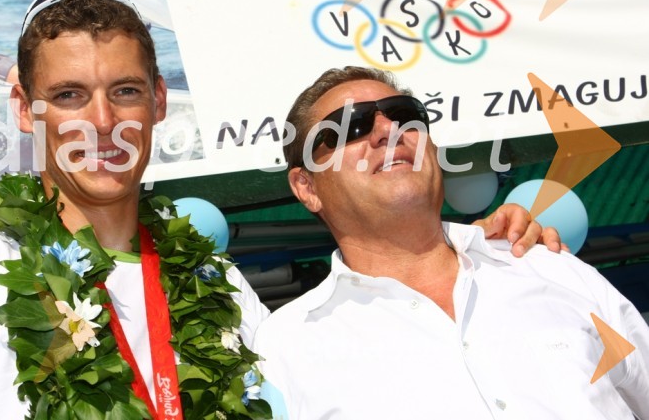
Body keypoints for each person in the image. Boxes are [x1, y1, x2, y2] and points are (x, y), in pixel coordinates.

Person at [0, 0, 557, 420]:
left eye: (125, 92)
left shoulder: (216, 284)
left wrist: (469, 248)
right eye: (69, 97)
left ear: (158, 101)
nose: (103, 124)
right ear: (26, 109)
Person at [252, 66, 649, 419]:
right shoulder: (286, 346)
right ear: (307, 187)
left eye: (406, 115)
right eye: (350, 125)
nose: (388, 130)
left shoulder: (549, 268)